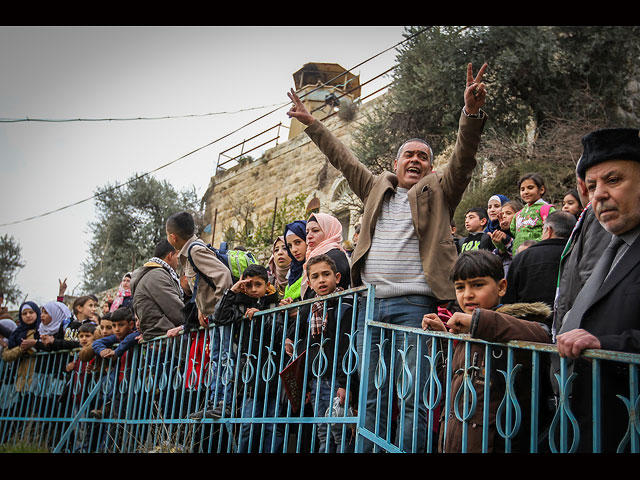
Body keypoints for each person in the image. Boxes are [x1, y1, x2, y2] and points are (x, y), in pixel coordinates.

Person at [287, 62, 488, 452]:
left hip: (417, 305)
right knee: (373, 396)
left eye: (423, 157)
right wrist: (312, 123)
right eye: (408, 155)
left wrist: (471, 114)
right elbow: (342, 158)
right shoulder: (375, 189)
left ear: (431, 167)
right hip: (371, 306)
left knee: (412, 394)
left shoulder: (441, 192)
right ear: (395, 164)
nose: (415, 160)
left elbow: (463, 157)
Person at [554, 127, 640, 452]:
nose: (598, 195)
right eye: (592, 186)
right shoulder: (610, 248)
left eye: (613, 180)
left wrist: (607, 345)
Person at [422, 250, 551, 452]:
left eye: (477, 285)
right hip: (456, 439)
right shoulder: (465, 330)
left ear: (501, 287)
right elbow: (447, 380)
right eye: (460, 287)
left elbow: (541, 337)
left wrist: (477, 322)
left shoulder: (513, 324)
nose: (467, 294)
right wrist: (442, 338)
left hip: (494, 443)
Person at [202, 264, 284, 452]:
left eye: (258, 284)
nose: (254, 289)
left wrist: (262, 317)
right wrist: (232, 291)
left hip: (272, 371)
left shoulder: (275, 304)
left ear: (267, 285)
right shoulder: (240, 305)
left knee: (273, 425)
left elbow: (279, 333)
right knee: (247, 424)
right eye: (249, 285)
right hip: (249, 374)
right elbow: (220, 317)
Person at [287, 254, 357, 453]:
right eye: (316, 277)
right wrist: (308, 383)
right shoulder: (312, 308)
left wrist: (346, 383)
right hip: (317, 381)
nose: (322, 280)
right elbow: (309, 346)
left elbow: (347, 347)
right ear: (309, 282)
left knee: (340, 432)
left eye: (326, 274)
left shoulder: (346, 305)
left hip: (336, 380)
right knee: (323, 432)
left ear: (337, 277)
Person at [502, 211, 576, 328]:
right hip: (572, 330)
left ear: (549, 230)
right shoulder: (580, 255)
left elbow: (509, 298)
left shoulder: (523, 257)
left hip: (527, 330)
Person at [131, 239, 185, 341]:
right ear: (170, 255)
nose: (178, 263)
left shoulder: (152, 274)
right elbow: (176, 311)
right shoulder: (157, 275)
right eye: (177, 258)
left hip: (159, 338)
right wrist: (193, 321)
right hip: (163, 340)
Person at [303, 212, 350, 298]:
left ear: (329, 231)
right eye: (307, 232)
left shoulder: (335, 256)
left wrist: (302, 310)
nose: (309, 236)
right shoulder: (312, 256)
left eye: (315, 230)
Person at [511, 173, 556, 254]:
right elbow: (513, 231)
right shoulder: (518, 214)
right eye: (522, 189)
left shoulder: (547, 209)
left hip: (538, 254)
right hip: (518, 257)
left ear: (541, 190)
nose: (526, 192)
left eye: (530, 188)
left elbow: (554, 233)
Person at [281, 220, 307, 304]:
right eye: (289, 246)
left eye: (298, 242)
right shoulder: (292, 270)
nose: (294, 250)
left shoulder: (317, 265)